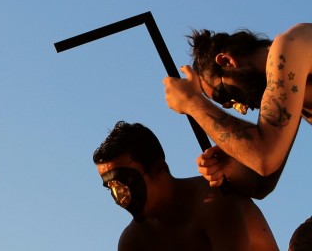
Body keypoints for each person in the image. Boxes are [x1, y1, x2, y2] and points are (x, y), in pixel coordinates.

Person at [163, 23, 312, 198]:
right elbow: (262, 184)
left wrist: (192, 102)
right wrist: (232, 163)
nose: (240, 109)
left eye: (224, 96)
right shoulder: (297, 98)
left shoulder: (289, 47)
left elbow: (265, 157)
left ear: (226, 61)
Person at [93, 121, 278, 251]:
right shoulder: (134, 241)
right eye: (111, 187)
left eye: (127, 181)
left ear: (159, 168)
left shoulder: (215, 203)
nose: (120, 196)